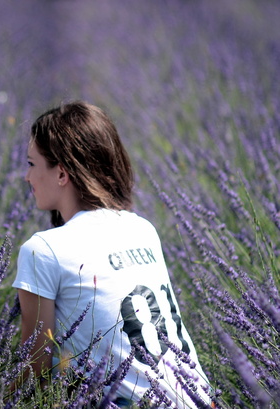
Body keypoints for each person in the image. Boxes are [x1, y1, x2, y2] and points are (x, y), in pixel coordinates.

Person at [12, 101, 211, 407]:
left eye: (31, 164)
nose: (27, 177)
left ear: (62, 173)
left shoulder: (43, 251)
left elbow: (34, 369)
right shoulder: (142, 228)